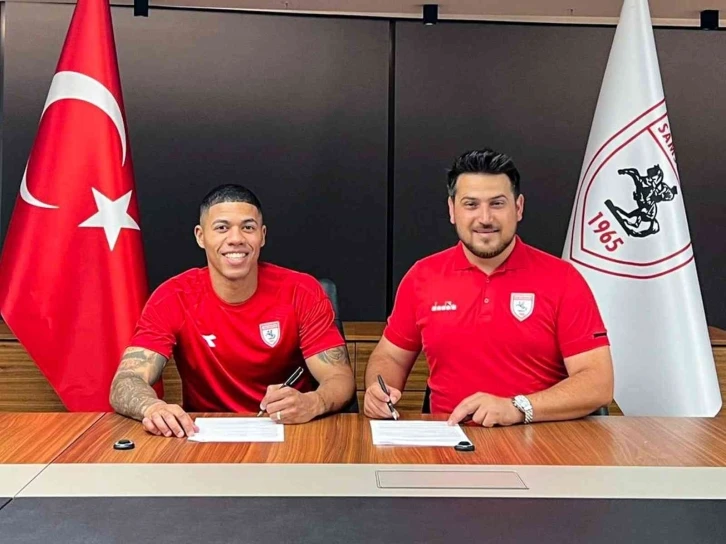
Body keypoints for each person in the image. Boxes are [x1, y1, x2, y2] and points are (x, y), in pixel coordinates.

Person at [364, 148, 614, 426]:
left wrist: (517, 408)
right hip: (448, 442)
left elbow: (598, 383)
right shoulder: (421, 276)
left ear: (518, 207)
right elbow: (390, 356)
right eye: (471, 204)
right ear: (452, 210)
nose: (485, 218)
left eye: (497, 204)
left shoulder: (563, 279)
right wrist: (379, 389)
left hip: (540, 440)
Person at [110, 184, 355, 437]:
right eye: (222, 228)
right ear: (200, 236)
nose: (236, 238)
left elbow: (340, 378)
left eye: (248, 227)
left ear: (262, 235)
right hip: (203, 435)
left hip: (290, 432)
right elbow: (126, 380)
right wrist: (152, 407)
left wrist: (314, 402)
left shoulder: (301, 290)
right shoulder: (173, 297)